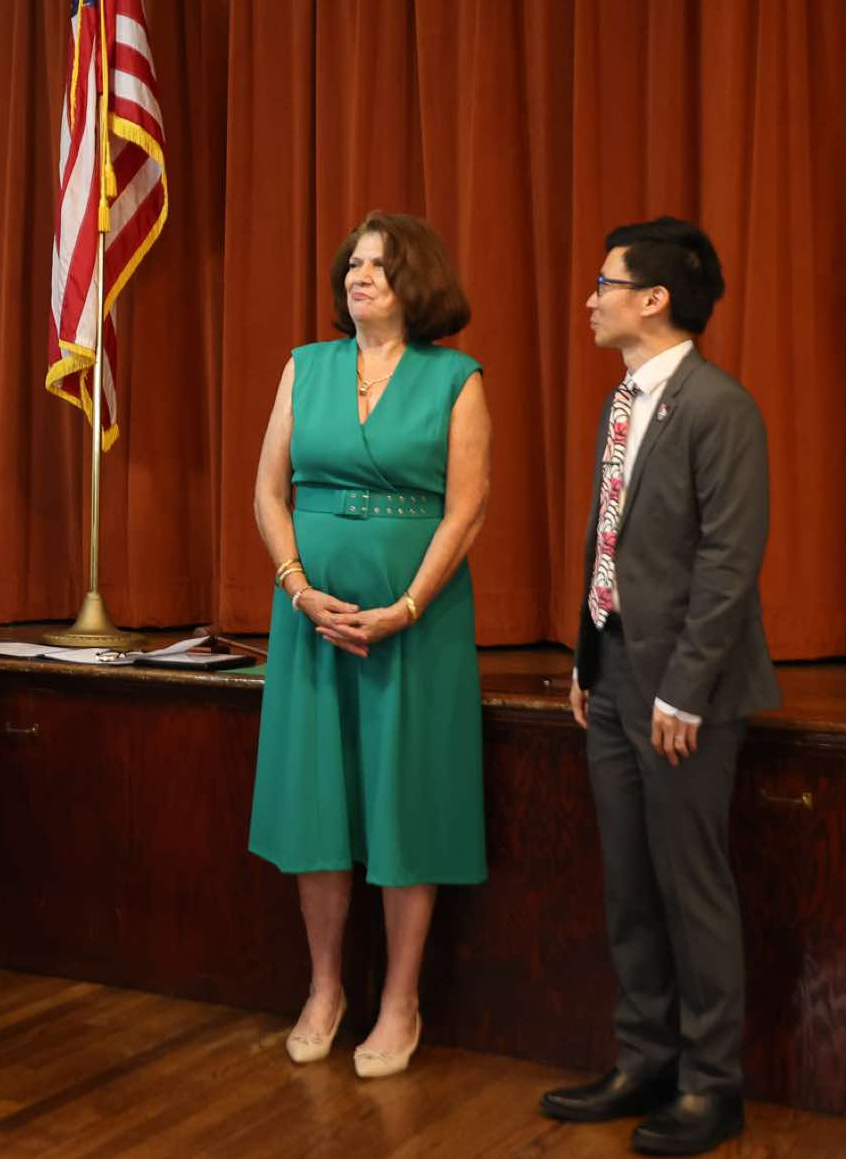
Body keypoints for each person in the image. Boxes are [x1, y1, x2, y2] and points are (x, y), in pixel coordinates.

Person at [539, 216, 778, 1155]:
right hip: (613, 672)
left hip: (687, 690)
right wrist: (585, 656)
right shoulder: (622, 400)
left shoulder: (720, 406)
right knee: (630, 883)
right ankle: (644, 1060)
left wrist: (682, 689)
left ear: (654, 298)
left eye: (605, 284)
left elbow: (729, 560)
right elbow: (612, 538)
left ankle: (712, 1085)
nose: (590, 299)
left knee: (691, 885)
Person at [249, 211, 491, 1076]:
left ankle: (400, 998)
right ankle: (325, 988)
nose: (359, 276)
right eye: (353, 264)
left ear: (415, 283)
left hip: (415, 623)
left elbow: (466, 509)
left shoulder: (456, 378)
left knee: (406, 797)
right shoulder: (304, 366)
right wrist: (296, 587)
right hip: (309, 618)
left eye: (380, 267)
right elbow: (268, 491)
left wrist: (407, 606)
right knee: (316, 800)